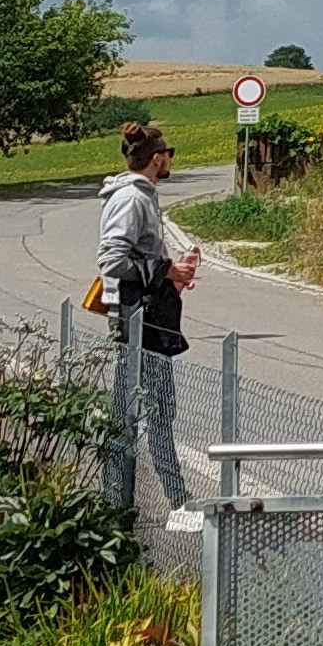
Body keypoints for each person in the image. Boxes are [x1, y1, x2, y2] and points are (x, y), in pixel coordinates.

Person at [98, 122, 197, 510]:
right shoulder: (132, 200)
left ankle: (121, 498)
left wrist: (171, 270)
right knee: (151, 412)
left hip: (146, 317)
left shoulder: (140, 196)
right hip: (139, 321)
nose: (171, 161)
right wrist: (165, 272)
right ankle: (174, 503)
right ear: (158, 158)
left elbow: (140, 258)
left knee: (141, 411)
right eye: (169, 155)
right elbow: (111, 260)